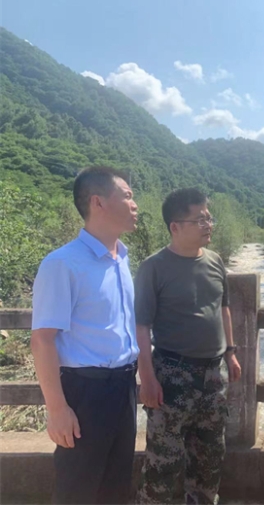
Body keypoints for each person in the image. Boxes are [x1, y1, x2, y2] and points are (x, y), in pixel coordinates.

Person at [31, 166, 140, 504]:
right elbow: (42, 340)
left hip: (124, 386)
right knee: (78, 490)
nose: (135, 204)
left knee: (116, 487)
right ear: (98, 202)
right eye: (127, 196)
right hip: (86, 392)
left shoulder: (121, 258)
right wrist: (57, 409)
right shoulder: (63, 263)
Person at [135, 188, 241, 505]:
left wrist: (231, 353)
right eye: (200, 219)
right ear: (175, 227)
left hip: (213, 375)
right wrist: (147, 378)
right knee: (164, 463)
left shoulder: (215, 261)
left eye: (209, 218)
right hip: (172, 373)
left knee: (210, 457)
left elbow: (223, 308)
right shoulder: (154, 267)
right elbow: (141, 326)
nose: (208, 225)